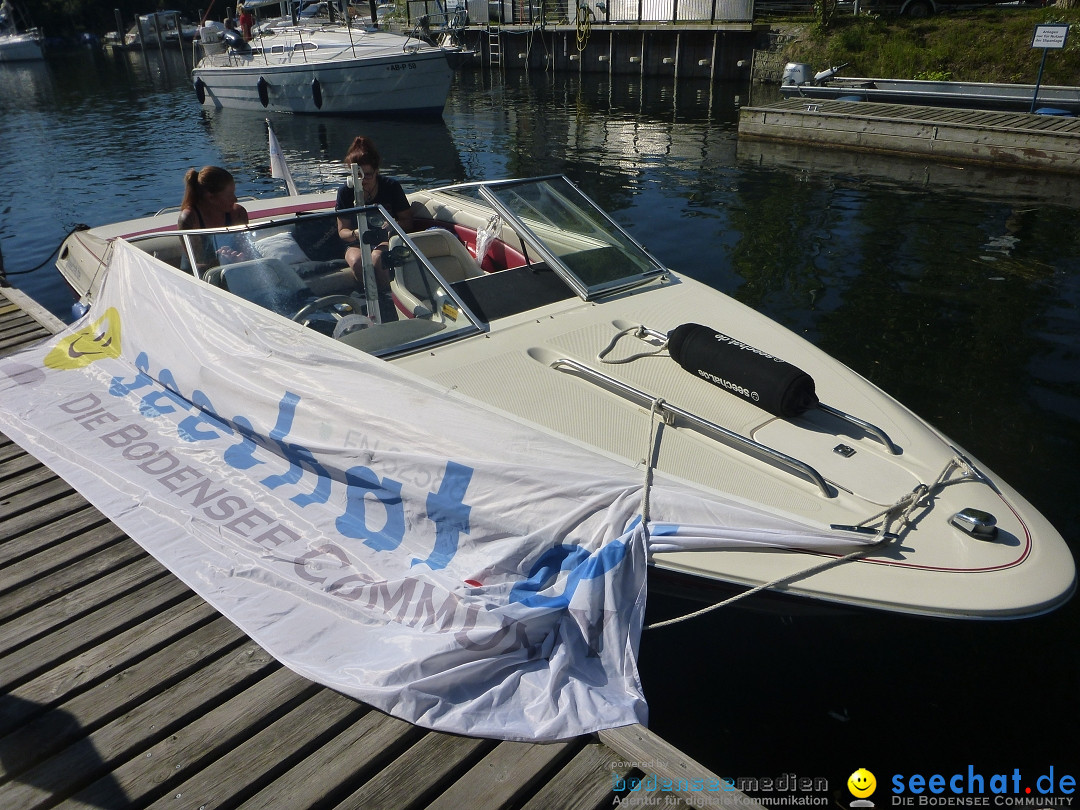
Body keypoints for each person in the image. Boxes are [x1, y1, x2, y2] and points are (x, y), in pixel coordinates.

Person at [335, 137, 413, 321]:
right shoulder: (345, 193)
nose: (363, 181)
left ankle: (387, 298)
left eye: (368, 175)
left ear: (377, 171)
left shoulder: (391, 187)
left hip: (386, 238)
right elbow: (342, 232)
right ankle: (369, 298)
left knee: (378, 258)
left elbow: (408, 221)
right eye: (358, 176)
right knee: (358, 261)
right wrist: (355, 233)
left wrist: (391, 226)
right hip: (356, 241)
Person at [178, 166, 250, 267]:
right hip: (196, 277)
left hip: (233, 269)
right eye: (229, 195)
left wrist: (238, 257)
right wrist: (221, 260)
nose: (235, 199)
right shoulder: (190, 218)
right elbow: (196, 262)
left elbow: (245, 251)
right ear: (211, 197)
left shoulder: (238, 213)